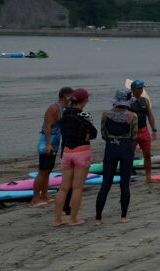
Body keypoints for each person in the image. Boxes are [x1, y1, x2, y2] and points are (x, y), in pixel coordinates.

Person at [53, 88, 96, 227]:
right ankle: (73, 219)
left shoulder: (64, 114)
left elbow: (63, 131)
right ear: (84, 101)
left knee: (63, 188)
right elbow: (94, 133)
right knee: (77, 187)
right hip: (81, 151)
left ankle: (57, 220)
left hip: (66, 152)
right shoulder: (84, 115)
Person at [95, 89, 137, 226]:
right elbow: (133, 136)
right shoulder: (132, 116)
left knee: (105, 183)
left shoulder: (105, 115)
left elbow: (103, 135)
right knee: (124, 183)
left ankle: (98, 218)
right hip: (126, 148)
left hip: (111, 147)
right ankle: (123, 216)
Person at [32, 86, 73, 207]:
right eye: (70, 96)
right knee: (42, 171)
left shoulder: (63, 108)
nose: (71, 99)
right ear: (64, 96)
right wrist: (48, 144)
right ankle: (35, 199)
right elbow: (47, 127)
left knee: (48, 171)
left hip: (54, 143)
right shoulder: (53, 108)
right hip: (46, 143)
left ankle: (44, 196)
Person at [128, 80, 158, 183]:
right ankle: (128, 177)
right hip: (132, 132)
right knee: (129, 155)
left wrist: (154, 129)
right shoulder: (128, 101)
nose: (141, 90)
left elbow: (150, 115)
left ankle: (148, 177)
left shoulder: (145, 101)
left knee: (147, 155)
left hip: (144, 130)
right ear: (133, 89)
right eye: (139, 88)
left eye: (142, 88)